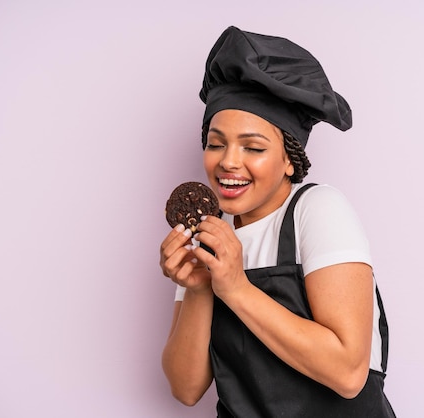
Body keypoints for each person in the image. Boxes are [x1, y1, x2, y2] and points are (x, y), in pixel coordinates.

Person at [160, 26, 396, 417]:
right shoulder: (210, 236)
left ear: (290, 159)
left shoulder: (316, 209)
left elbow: (349, 372)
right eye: (215, 143)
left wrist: (234, 287)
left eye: (253, 147)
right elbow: (185, 388)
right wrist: (201, 288)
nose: (228, 161)